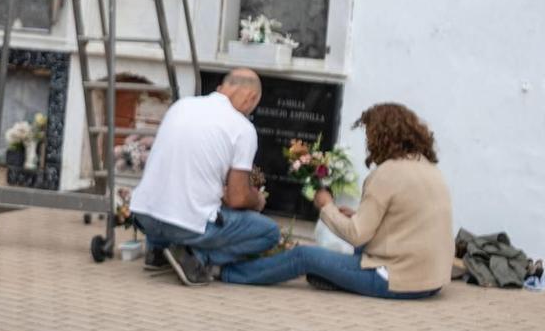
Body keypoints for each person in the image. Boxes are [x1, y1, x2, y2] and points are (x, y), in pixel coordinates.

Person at [221, 103, 452, 298]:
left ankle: (228, 273)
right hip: (432, 281)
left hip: (396, 280)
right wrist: (356, 216)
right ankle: (336, 276)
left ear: (383, 136)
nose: (369, 142)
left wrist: (326, 206)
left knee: (304, 256)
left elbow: (356, 235)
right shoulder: (427, 167)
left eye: (370, 134)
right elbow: (406, 220)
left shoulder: (386, 174)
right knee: (342, 249)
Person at [129, 69, 280, 285]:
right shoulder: (242, 128)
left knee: (178, 203)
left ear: (220, 88)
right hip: (186, 225)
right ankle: (196, 259)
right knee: (269, 233)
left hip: (143, 216)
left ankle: (158, 251)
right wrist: (257, 200)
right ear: (252, 98)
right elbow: (237, 198)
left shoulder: (181, 106)